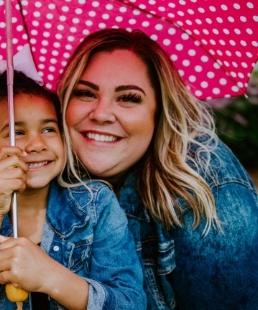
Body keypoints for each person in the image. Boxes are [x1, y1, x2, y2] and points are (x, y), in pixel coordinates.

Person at [0, 45, 146, 309]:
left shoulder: (96, 206)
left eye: (49, 129)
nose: (37, 144)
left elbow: (130, 302)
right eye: (17, 133)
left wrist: (50, 277)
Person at [57, 29, 258, 309]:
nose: (101, 114)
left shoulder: (207, 195)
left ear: (159, 110)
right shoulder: (53, 177)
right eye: (85, 93)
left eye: (128, 97)